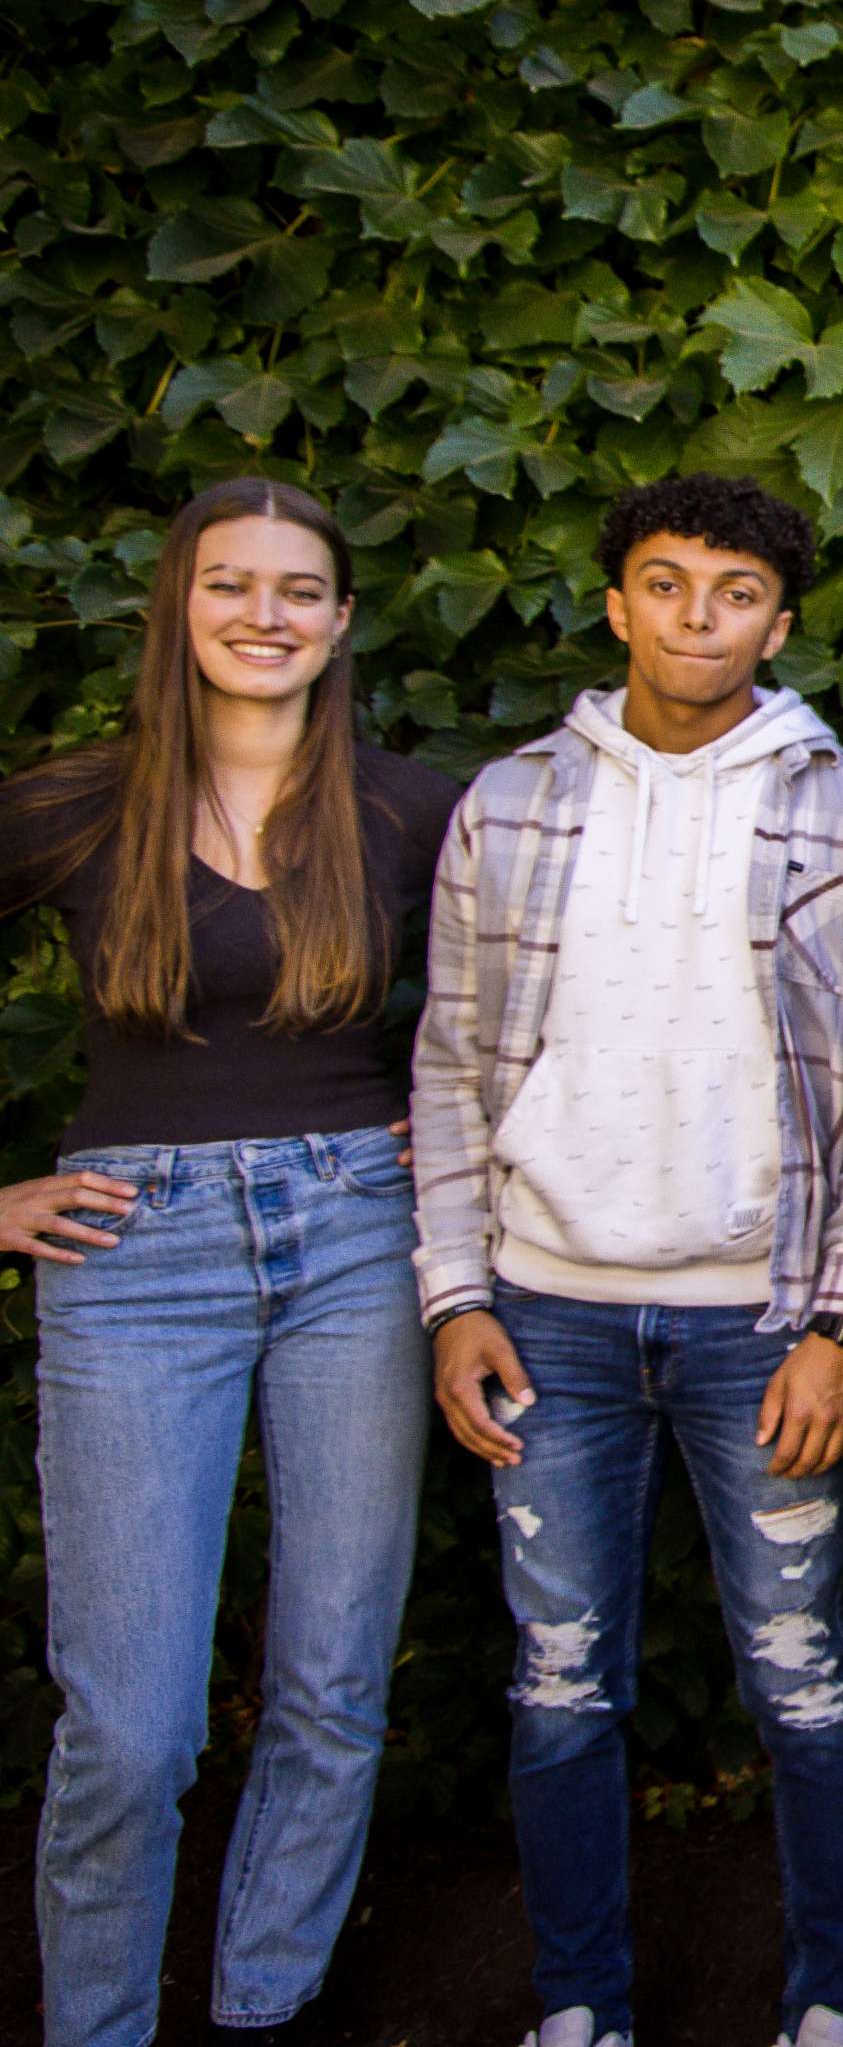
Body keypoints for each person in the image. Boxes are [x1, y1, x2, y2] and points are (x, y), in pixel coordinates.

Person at [408, 473, 843, 2047]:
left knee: (801, 1675)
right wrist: (454, 1295)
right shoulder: (509, 803)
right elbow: (450, 1057)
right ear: (618, 600)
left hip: (759, 1322)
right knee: (561, 1682)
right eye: (668, 582)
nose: (700, 616)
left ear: (781, 616)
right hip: (545, 1310)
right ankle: (580, 2004)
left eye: (737, 591)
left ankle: (834, 1999)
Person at [0, 479, 462, 2047]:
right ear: (178, 609)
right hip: (132, 1251)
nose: (264, 614)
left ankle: (262, 2007)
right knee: (129, 1725)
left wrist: (453, 1138)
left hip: (357, 1238)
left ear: (340, 623)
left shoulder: (409, 808)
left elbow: (531, 998)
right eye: (229, 585)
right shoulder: (74, 801)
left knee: (334, 1678)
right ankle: (101, 2025)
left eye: (300, 589)